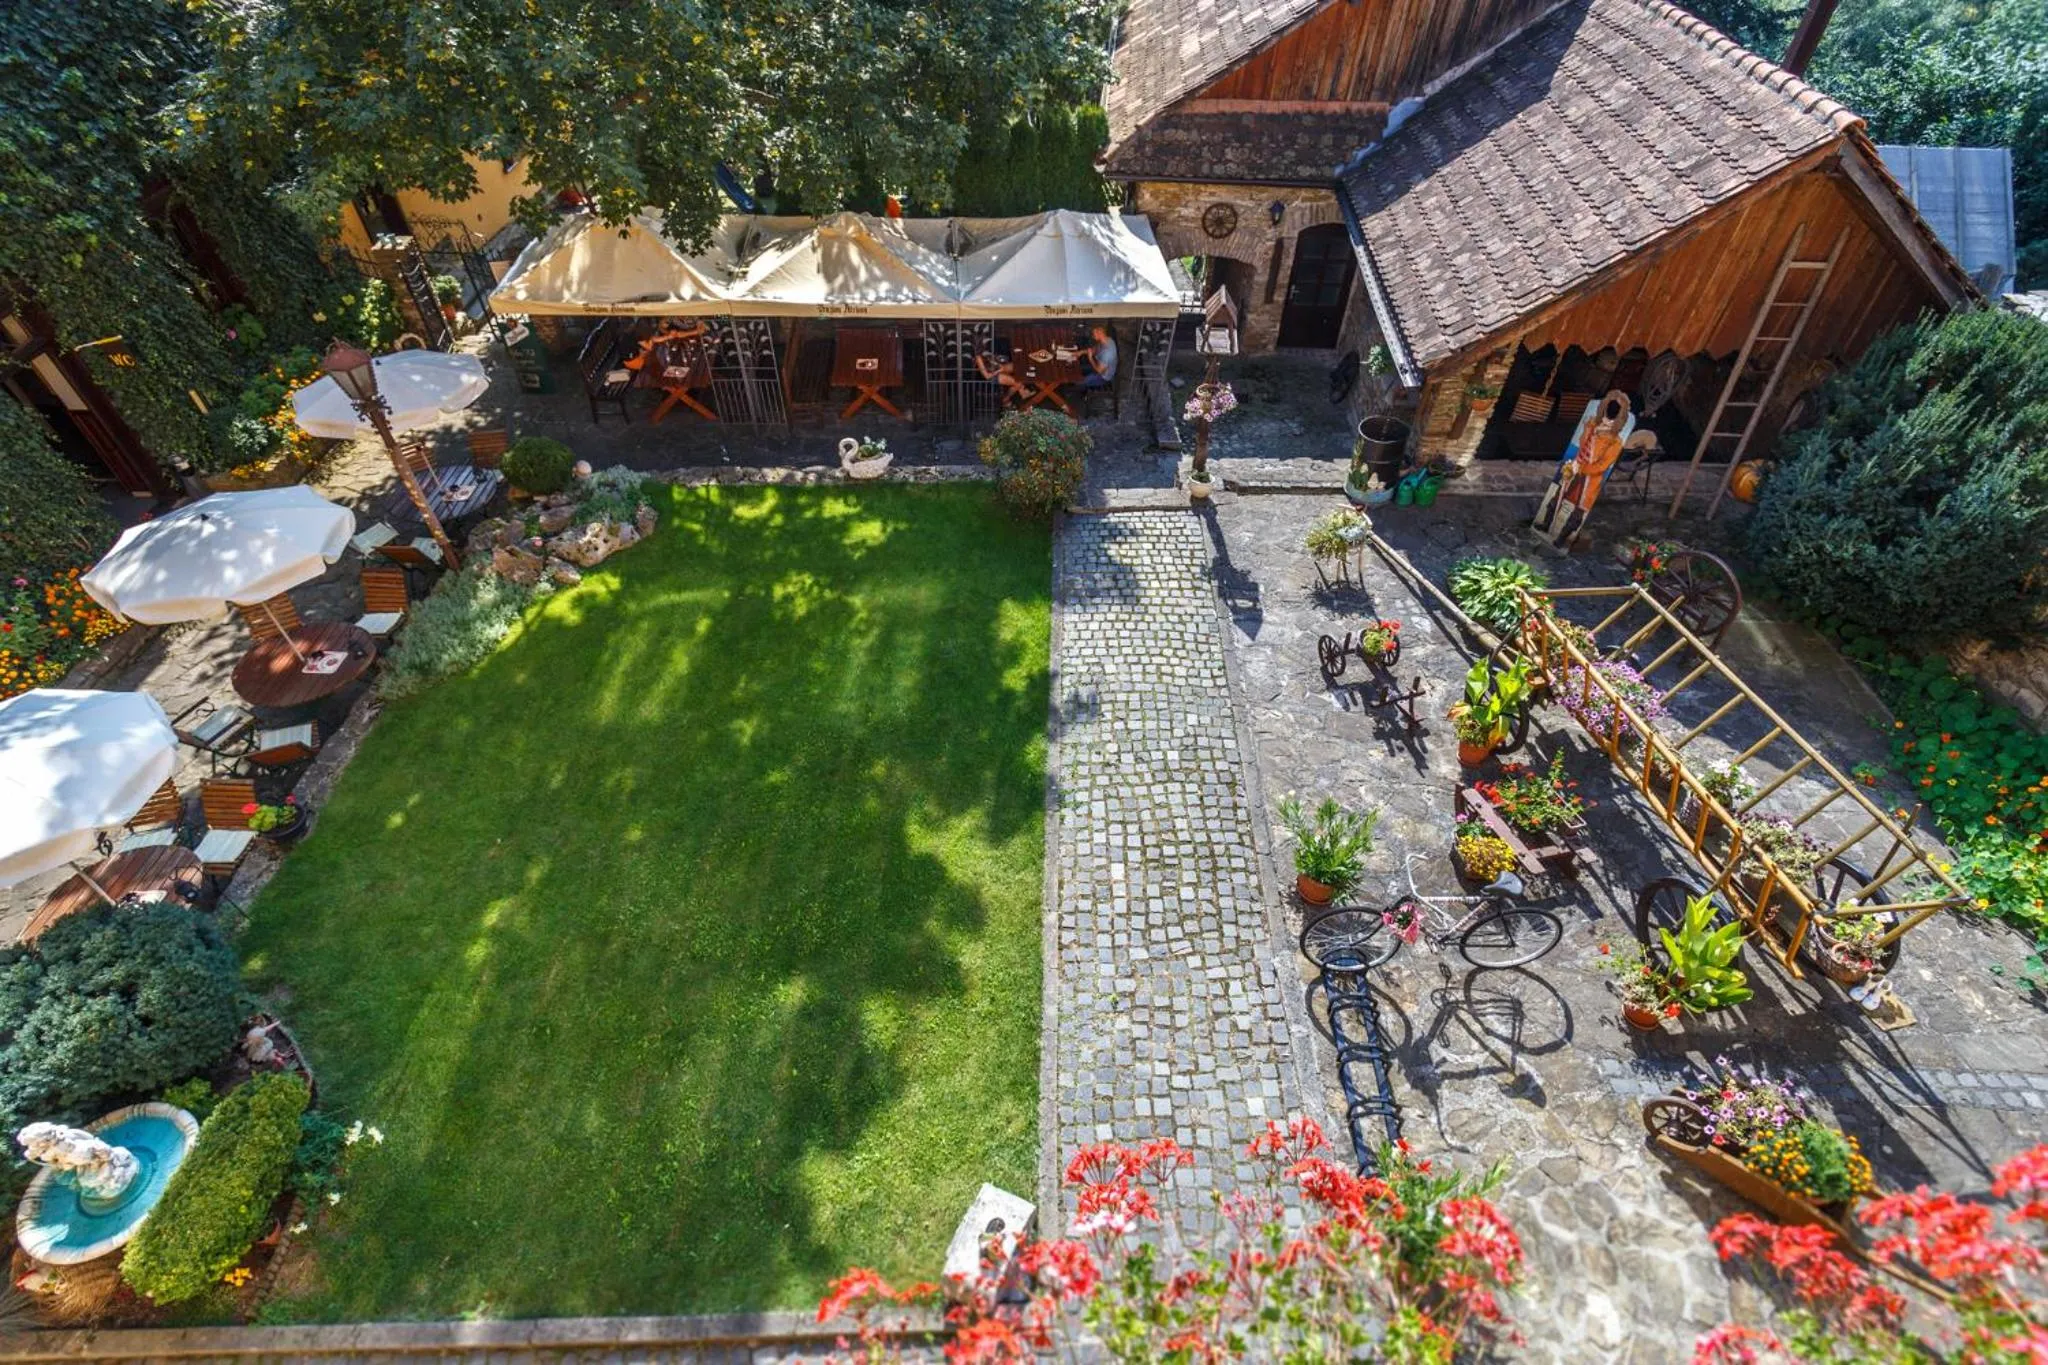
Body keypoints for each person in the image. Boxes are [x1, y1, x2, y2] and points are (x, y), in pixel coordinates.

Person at [1532, 389, 1633, 549]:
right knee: (1557, 497)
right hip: (1575, 468)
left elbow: (1603, 465)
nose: (1607, 421)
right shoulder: (1593, 425)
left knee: (1579, 511)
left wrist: (1584, 468)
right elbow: (1582, 443)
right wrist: (1588, 431)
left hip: (1590, 478)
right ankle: (1546, 524)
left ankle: (1562, 538)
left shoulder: (1615, 442)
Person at [1079, 325, 1118, 390]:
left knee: (1079, 382)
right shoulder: (1107, 340)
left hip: (1103, 377)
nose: (1092, 336)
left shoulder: (1107, 353)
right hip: (1099, 365)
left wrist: (1090, 358)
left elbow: (1099, 371)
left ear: (1100, 334)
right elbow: (1095, 350)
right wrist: (1081, 352)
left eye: (1093, 334)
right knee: (1078, 368)